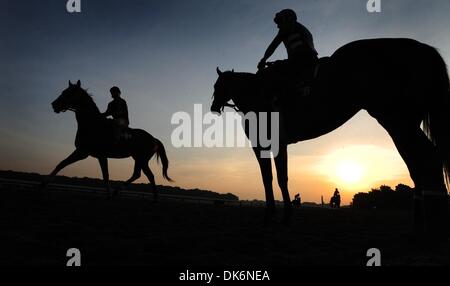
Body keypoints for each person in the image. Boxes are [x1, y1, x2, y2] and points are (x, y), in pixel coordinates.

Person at [257, 9, 318, 97]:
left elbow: (273, 46)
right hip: (310, 59)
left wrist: (264, 59)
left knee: (272, 74)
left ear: (287, 19)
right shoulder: (302, 28)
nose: (278, 26)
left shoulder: (288, 27)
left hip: (299, 61)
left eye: (280, 21)